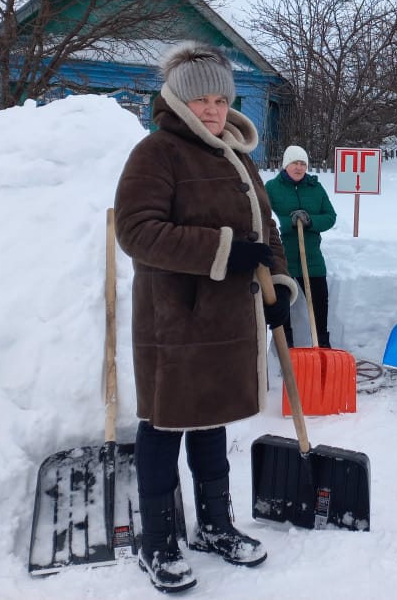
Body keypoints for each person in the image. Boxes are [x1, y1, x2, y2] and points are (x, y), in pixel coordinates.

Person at [114, 41, 299, 593]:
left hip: (226, 320)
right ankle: (158, 539)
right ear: (177, 100)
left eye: (221, 99)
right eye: (202, 101)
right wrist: (223, 251)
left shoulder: (237, 156)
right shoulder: (157, 153)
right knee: (164, 425)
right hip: (175, 318)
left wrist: (277, 286)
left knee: (211, 421)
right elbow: (137, 232)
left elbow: (266, 233)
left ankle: (215, 524)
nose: (214, 110)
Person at [265, 145, 338, 348]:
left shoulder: (316, 188)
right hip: (282, 257)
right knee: (282, 305)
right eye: (295, 163)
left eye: (303, 164)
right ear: (286, 165)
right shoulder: (272, 187)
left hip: (312, 256)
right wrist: (288, 222)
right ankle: (286, 349)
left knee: (319, 302)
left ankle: (322, 346)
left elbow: (330, 217)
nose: (299, 167)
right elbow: (265, 218)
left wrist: (310, 220)